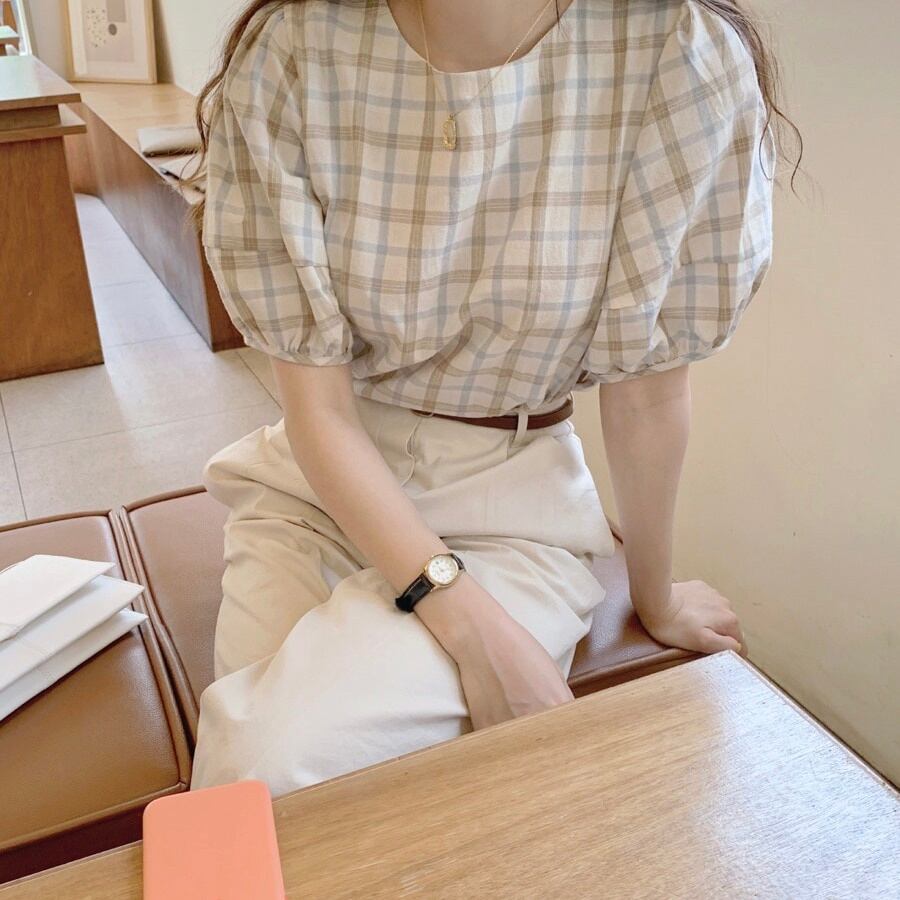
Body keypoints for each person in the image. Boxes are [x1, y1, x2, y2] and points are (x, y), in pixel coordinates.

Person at [186, 0, 794, 798]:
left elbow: (647, 397)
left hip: (512, 506)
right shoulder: (295, 47)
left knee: (269, 762)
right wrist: (470, 625)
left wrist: (655, 597)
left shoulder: (678, 53)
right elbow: (318, 412)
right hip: (317, 489)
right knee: (248, 783)